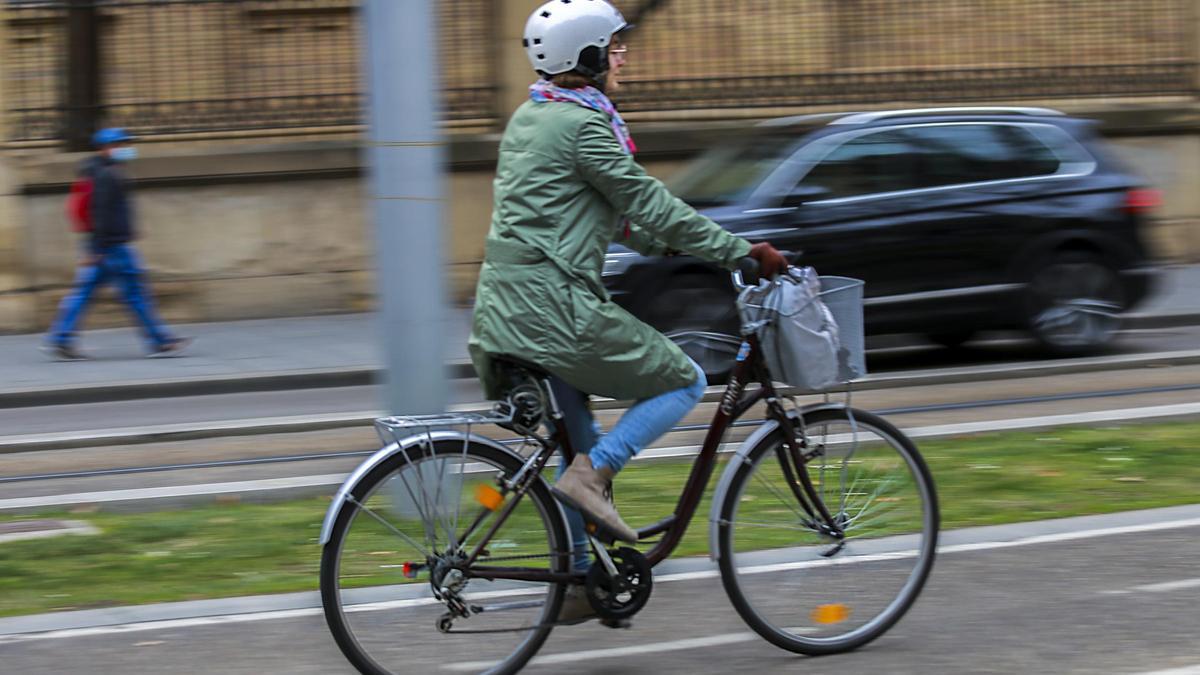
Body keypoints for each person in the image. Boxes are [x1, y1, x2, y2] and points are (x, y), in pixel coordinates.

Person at [468, 0, 786, 622]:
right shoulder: (584, 128)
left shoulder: (533, 116)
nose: (622, 57)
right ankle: (593, 480)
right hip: (553, 308)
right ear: (586, 57)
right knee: (683, 379)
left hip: (504, 308)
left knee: (578, 446)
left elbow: (610, 217)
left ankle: (584, 581)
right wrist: (739, 252)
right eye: (613, 48)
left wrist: (672, 248)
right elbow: (650, 203)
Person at [43, 128, 190, 361]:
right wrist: (99, 248)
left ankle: (61, 338)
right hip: (111, 247)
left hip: (102, 245)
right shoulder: (106, 174)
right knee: (136, 294)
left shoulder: (99, 171)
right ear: (105, 148)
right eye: (120, 145)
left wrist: (98, 246)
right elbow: (100, 212)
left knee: (84, 293)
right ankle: (161, 342)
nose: (126, 149)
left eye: (126, 145)